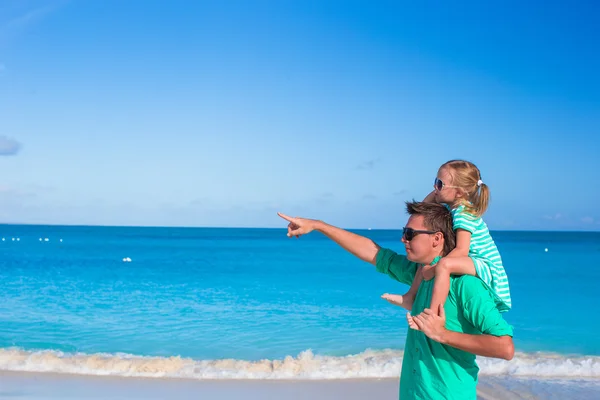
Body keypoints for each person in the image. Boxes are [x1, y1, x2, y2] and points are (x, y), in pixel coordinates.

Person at [278, 201, 514, 400]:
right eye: (404, 231)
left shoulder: (466, 285)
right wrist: (318, 225)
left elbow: (505, 347)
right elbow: (374, 253)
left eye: (410, 234)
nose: (403, 239)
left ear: (437, 239)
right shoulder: (420, 273)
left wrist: (442, 335)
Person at [382, 160, 511, 329]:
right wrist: (439, 191)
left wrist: (435, 268)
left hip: (484, 265)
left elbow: (462, 250)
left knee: (443, 265)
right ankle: (410, 298)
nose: (435, 187)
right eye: (435, 182)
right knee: (429, 257)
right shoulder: (454, 207)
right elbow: (422, 208)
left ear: (458, 192)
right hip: (473, 259)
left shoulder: (464, 213)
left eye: (440, 184)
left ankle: (432, 315)